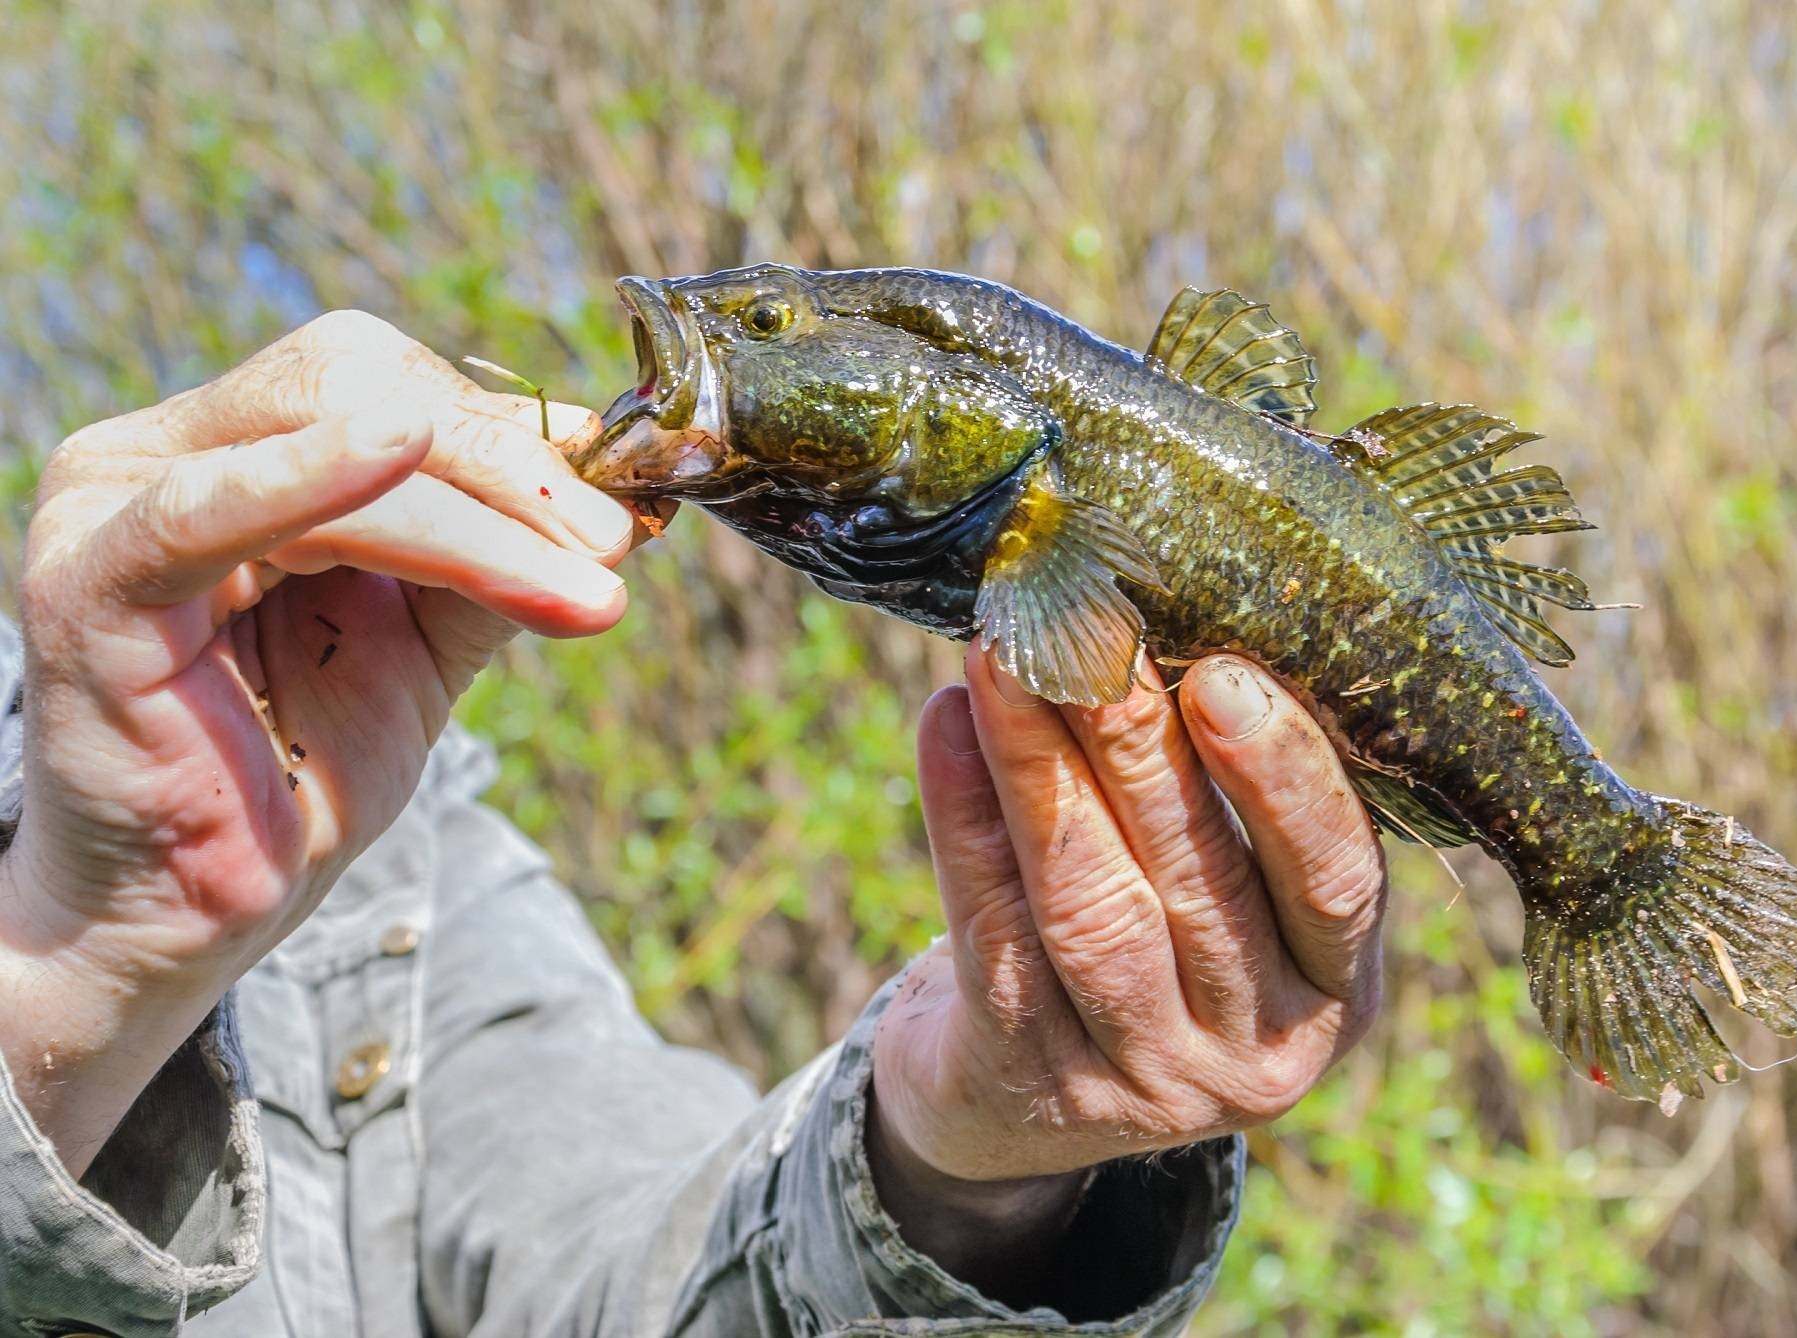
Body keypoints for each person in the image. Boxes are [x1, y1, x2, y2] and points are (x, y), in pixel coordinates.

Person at [0, 311, 1387, 1336]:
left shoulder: (393, 833)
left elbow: (631, 1267)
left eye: (773, 324)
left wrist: (957, 1162)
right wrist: (75, 977)